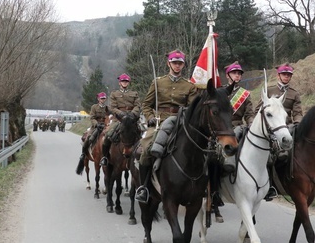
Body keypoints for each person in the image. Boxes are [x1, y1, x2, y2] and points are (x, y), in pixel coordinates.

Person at [135, 49, 199, 203]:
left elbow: (192, 108)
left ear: (183, 65)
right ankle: (144, 187)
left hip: (180, 122)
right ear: (168, 63)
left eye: (180, 63)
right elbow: (146, 104)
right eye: (175, 63)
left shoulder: (189, 86)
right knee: (146, 148)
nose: (177, 66)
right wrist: (150, 117)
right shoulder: (157, 82)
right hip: (159, 121)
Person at [211, 61, 255, 221]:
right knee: (213, 158)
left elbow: (249, 113)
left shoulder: (245, 94)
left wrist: (251, 123)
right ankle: (214, 193)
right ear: (228, 75)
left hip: (238, 127)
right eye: (235, 73)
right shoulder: (219, 92)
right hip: (222, 130)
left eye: (239, 73)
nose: (238, 75)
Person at [255, 62, 303, 201]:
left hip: (288, 127)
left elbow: (298, 112)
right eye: (284, 74)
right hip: (271, 128)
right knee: (270, 156)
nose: (286, 77)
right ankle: (269, 185)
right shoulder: (269, 91)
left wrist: (297, 123)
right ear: (279, 75)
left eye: (289, 75)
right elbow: (259, 109)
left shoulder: (294, 93)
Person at [100, 73, 141, 166]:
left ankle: (141, 157)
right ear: (120, 82)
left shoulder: (134, 93)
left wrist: (133, 113)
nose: (125, 83)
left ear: (128, 82)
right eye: (123, 81)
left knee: (143, 133)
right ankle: (105, 157)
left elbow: (137, 105)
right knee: (108, 135)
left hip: (132, 119)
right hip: (118, 119)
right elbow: (113, 107)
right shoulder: (114, 94)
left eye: (126, 81)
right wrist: (120, 113)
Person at [78, 92, 110, 163]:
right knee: (89, 138)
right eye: (102, 98)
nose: (103, 100)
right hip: (96, 126)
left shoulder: (107, 108)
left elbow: (110, 116)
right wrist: (96, 124)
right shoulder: (94, 107)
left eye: (104, 98)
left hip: (105, 126)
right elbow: (92, 117)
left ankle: (106, 156)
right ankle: (83, 153)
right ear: (98, 99)